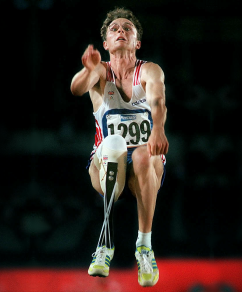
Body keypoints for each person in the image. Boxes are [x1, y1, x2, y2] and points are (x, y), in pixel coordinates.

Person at [70, 7, 168, 287]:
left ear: (137, 42)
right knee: (114, 142)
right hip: (105, 165)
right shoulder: (100, 72)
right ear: (105, 44)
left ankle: (144, 247)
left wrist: (158, 129)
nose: (120, 31)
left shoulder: (148, 70)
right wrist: (88, 69)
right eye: (114, 29)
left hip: (142, 168)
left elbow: (158, 101)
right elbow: (77, 89)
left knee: (142, 153)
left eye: (127, 28)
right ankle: (105, 244)